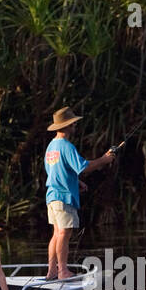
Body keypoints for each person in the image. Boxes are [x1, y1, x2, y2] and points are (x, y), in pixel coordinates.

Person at [43, 106, 116, 279]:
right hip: (63, 197)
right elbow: (84, 167)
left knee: (56, 233)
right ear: (67, 126)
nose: (75, 126)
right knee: (64, 233)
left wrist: (76, 182)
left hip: (52, 196)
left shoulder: (51, 147)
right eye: (73, 123)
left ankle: (52, 271)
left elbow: (55, 171)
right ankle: (62, 271)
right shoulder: (66, 146)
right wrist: (105, 159)